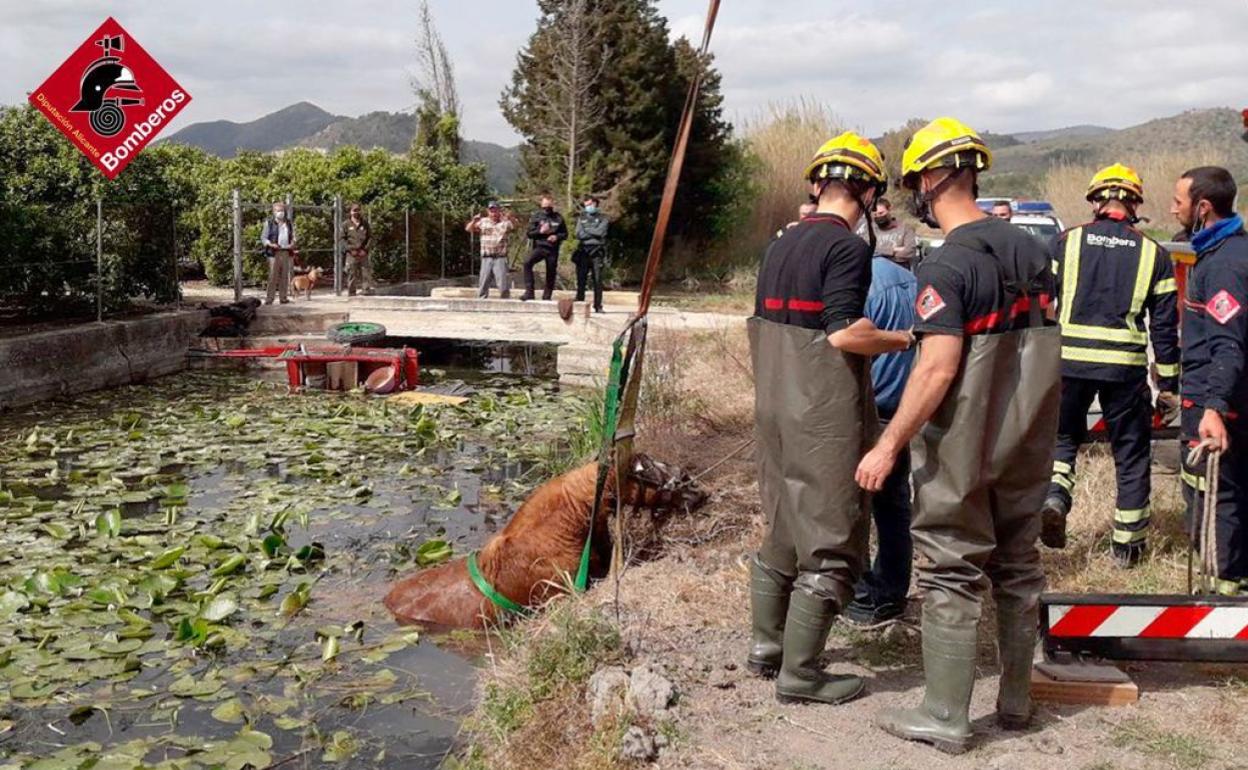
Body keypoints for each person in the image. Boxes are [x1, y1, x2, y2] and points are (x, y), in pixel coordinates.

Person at [855, 118, 1059, 753]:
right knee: (1019, 563)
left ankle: (945, 714)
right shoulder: (1036, 252)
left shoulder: (946, 265)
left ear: (934, 178)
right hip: (1028, 436)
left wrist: (888, 445)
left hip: (964, 442)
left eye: (916, 179)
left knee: (950, 565)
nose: (915, 189)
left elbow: (939, 366)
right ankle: (1018, 703)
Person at [747, 132, 913, 707]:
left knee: (783, 528)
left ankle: (766, 649)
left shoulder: (781, 246)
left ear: (817, 184)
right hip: (821, 414)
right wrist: (902, 338)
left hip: (772, 405)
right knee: (834, 543)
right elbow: (845, 331)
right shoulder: (848, 249)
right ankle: (802, 674)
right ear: (868, 191)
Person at [1041, 164, 1179, 566]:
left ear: (1095, 201)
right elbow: (1165, 328)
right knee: (1131, 454)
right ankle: (1127, 548)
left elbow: (1043, 306)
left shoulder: (1064, 242)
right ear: (1134, 203)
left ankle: (1055, 497)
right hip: (1124, 371)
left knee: (1063, 438)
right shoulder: (1155, 252)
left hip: (1068, 362)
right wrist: (1168, 382)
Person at [1172, 166, 1248, 595]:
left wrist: (1213, 409)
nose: (1172, 208)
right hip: (1225, 395)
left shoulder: (1223, 267)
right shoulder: (1226, 252)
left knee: (1215, 491)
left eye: (1179, 202)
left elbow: (1228, 344)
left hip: (1216, 401)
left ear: (1203, 208)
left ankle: (1223, 587)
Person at [843, 244, 918, 626]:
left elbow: (848, 340)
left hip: (868, 408)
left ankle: (859, 591)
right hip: (903, 409)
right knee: (894, 506)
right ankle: (891, 591)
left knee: (853, 505)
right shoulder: (912, 281)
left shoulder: (859, 284)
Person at [521, 194, 567, 301]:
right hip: (540, 247)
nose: (546, 209)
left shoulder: (558, 217)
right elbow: (529, 233)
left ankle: (547, 296)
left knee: (551, 272)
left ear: (552, 205)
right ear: (541, 205)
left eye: (549, 206)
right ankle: (529, 292)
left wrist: (556, 236)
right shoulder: (536, 216)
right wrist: (540, 231)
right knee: (527, 262)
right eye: (544, 206)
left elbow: (565, 234)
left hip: (553, 249)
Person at [467, 202, 515, 299]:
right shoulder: (483, 222)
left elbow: (515, 226)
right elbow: (468, 229)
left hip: (500, 257)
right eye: (491, 211)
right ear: (488, 212)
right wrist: (473, 221)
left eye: (495, 211)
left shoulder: (505, 223)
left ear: (499, 211)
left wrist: (511, 218)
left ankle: (505, 302)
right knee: (484, 281)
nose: (493, 213)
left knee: (502, 283)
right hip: (486, 256)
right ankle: (482, 300)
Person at [573, 196, 609, 312]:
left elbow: (601, 232)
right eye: (585, 205)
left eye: (589, 204)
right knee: (581, 279)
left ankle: (598, 306)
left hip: (597, 252)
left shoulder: (603, 218)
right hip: (583, 251)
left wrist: (587, 230)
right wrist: (593, 232)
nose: (587, 207)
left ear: (595, 204)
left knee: (597, 280)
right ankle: (580, 302)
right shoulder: (581, 217)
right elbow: (578, 234)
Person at [261, 201, 296, 305]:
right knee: (273, 276)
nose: (280, 212)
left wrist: (293, 243)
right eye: (278, 210)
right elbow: (263, 238)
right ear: (274, 212)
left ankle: (283, 298)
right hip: (274, 252)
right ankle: (269, 298)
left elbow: (294, 236)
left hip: (286, 251)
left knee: (285, 275)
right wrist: (271, 244)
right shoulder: (269, 223)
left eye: (282, 210)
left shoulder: (289, 223)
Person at [873, 198, 918, 269]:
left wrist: (880, 253)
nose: (878, 216)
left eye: (881, 213)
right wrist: (894, 250)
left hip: (899, 271)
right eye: (875, 214)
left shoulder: (905, 228)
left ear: (889, 210)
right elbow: (868, 250)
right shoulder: (871, 230)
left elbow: (910, 251)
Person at [343, 204, 372, 297]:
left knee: (366, 272)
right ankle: (351, 293)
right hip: (352, 254)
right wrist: (350, 250)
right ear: (350, 212)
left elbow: (370, 237)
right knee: (351, 273)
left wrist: (366, 250)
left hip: (363, 253)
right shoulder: (346, 224)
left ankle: (366, 291)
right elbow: (341, 240)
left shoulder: (365, 223)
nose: (356, 212)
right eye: (354, 210)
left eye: (358, 210)